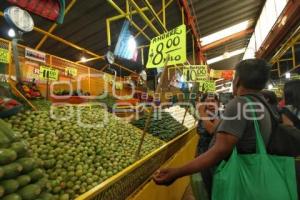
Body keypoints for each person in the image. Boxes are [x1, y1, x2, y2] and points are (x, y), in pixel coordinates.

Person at [153, 59, 272, 196]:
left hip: (236, 177)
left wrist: (177, 172)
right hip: (253, 176)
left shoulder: (239, 104)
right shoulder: (263, 105)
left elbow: (219, 150)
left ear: (237, 80)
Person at [196, 93, 220, 195]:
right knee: (204, 184)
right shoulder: (204, 116)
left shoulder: (218, 116)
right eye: (208, 101)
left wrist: (202, 112)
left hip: (213, 157)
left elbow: (211, 130)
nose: (210, 104)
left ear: (218, 104)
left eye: (213, 101)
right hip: (202, 153)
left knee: (212, 185)